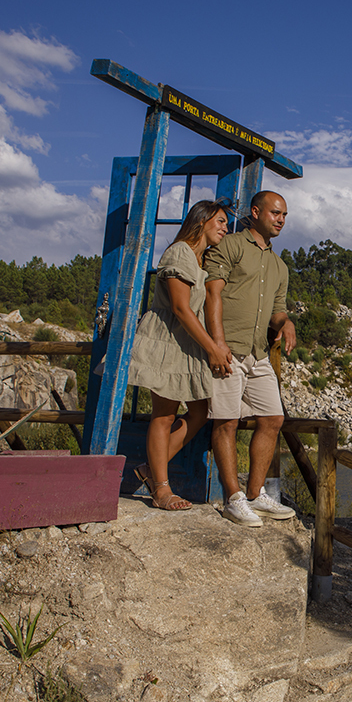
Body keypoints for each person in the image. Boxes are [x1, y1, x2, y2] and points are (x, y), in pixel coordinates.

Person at [129, 199, 233, 510]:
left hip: (188, 343)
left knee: (200, 412)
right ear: (201, 221)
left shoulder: (199, 259)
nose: (226, 229)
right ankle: (161, 489)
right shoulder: (179, 252)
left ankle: (150, 469)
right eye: (221, 222)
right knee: (164, 415)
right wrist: (213, 347)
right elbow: (180, 308)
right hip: (168, 340)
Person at [204, 190, 297, 527]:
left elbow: (277, 312)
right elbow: (211, 293)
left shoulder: (279, 266)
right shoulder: (230, 246)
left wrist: (286, 322)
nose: (281, 220)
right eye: (275, 213)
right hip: (227, 347)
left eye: (284, 215)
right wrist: (216, 342)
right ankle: (233, 498)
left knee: (273, 418)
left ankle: (256, 494)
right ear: (256, 212)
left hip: (258, 352)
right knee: (225, 422)